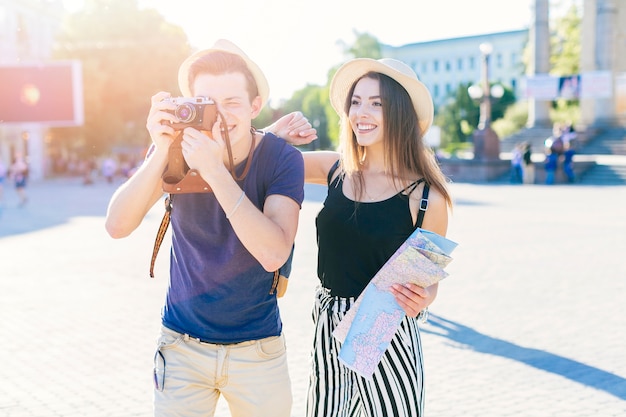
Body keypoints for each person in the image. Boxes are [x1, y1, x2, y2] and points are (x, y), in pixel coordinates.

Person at [105, 39, 314, 417]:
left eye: (231, 103)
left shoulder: (282, 158)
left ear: (255, 106)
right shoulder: (176, 150)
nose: (218, 116)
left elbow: (273, 253)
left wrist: (214, 169)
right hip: (181, 346)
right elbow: (117, 226)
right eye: (205, 103)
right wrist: (160, 150)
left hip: (258, 351)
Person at [281, 58, 452, 417]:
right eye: (356, 102)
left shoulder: (426, 199)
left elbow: (428, 284)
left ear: (400, 114)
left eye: (377, 103)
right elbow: (264, 162)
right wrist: (278, 136)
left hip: (385, 331)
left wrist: (424, 295)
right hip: (328, 326)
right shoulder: (334, 169)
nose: (362, 112)